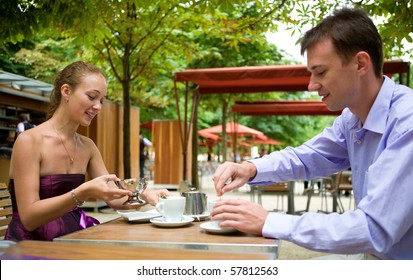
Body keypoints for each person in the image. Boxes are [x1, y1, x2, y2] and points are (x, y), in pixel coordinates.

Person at [211, 8, 413, 260]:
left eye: (320, 72)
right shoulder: (352, 118)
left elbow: (373, 229)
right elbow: (308, 157)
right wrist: (250, 168)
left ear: (360, 63)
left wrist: (269, 221)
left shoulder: (407, 123)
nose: (311, 85)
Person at [5, 61, 169, 241]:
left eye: (101, 100)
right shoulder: (29, 141)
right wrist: (81, 193)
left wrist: (145, 194)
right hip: (31, 246)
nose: (98, 106)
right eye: (92, 97)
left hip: (74, 237)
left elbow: (114, 200)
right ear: (66, 91)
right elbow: (29, 218)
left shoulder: (88, 146)